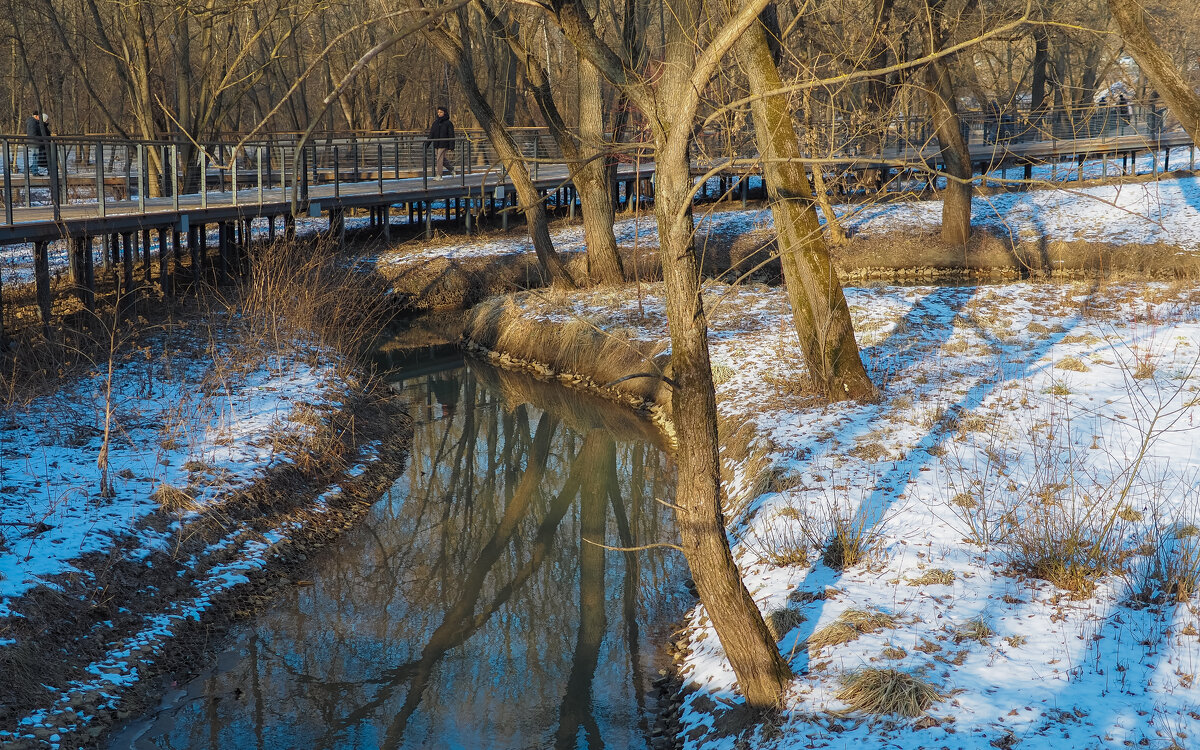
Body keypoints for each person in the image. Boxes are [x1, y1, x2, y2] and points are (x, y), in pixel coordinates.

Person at [427, 106, 455, 179]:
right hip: (436, 143)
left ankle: (439, 175)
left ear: (444, 113)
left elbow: (451, 134)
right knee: (441, 159)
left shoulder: (448, 123)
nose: (439, 114)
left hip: (444, 143)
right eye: (438, 112)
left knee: (439, 158)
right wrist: (427, 144)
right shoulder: (435, 123)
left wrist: (451, 145)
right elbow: (431, 134)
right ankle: (451, 169)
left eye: (441, 112)